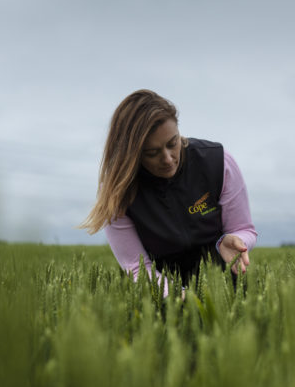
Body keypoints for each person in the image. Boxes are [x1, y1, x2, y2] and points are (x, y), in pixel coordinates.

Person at [80, 89, 257, 296]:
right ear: (132, 153)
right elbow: (136, 267)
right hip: (157, 295)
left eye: (172, 143)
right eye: (152, 153)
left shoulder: (218, 162)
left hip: (224, 289)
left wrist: (235, 240)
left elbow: (244, 228)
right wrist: (178, 297)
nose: (167, 159)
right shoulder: (118, 192)